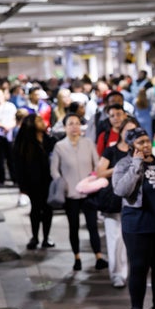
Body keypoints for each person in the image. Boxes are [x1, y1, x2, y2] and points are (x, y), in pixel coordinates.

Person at [112, 127, 155, 309]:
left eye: (147, 141)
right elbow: (121, 190)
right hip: (137, 226)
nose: (146, 145)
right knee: (139, 269)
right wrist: (136, 164)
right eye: (140, 142)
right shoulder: (124, 164)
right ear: (131, 145)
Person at [50, 113, 108, 272]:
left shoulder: (88, 143)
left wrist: (93, 180)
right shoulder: (60, 146)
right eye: (71, 123)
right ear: (64, 127)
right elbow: (54, 170)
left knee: (92, 226)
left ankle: (98, 256)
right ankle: (77, 257)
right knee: (73, 226)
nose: (74, 126)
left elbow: (97, 165)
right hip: (71, 195)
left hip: (89, 193)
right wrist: (62, 183)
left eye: (77, 123)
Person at [96, 118, 139, 288]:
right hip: (113, 201)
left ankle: (131, 271)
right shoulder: (111, 150)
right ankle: (117, 274)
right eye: (127, 130)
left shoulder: (140, 151)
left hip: (135, 202)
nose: (130, 134)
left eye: (134, 131)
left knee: (132, 241)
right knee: (115, 239)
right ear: (120, 132)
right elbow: (100, 172)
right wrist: (121, 167)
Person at [13, 113, 57, 250]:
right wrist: (22, 186)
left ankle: (46, 237)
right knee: (36, 209)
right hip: (33, 182)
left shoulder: (49, 139)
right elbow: (18, 166)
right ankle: (35, 237)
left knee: (48, 209)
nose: (42, 122)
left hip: (49, 181)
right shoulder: (24, 143)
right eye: (38, 120)